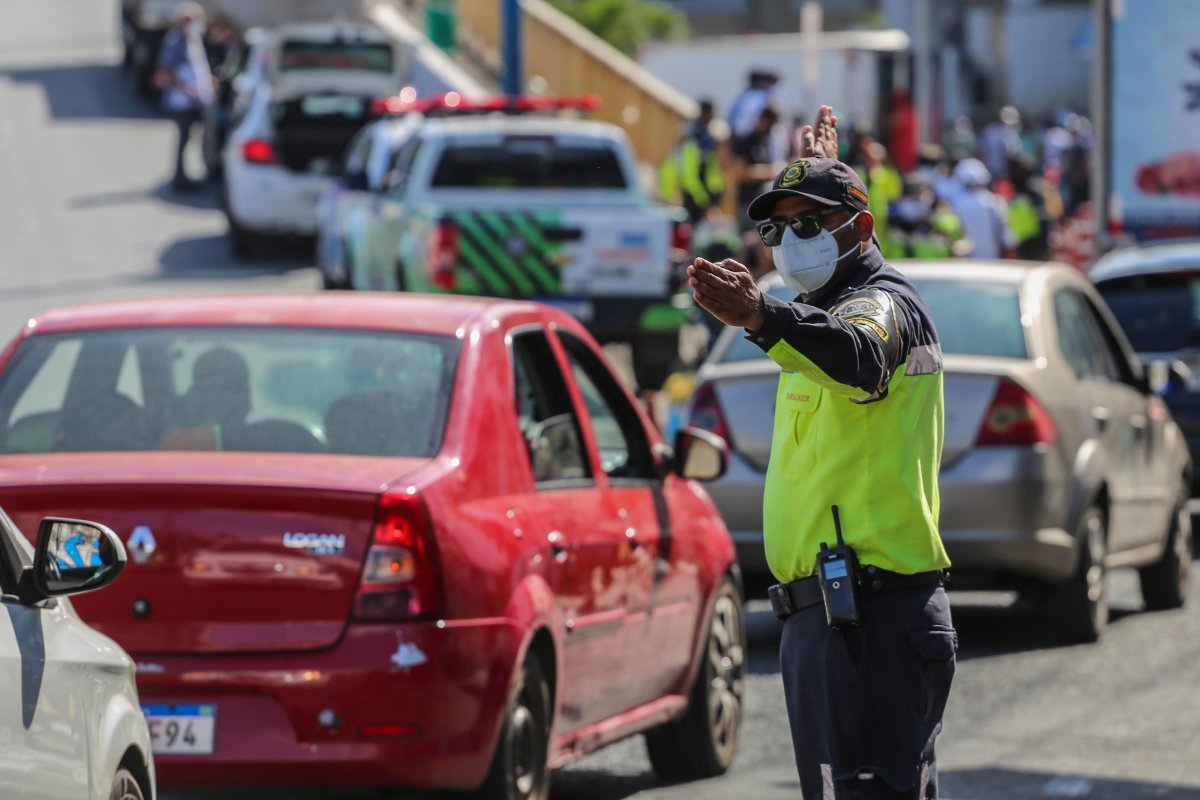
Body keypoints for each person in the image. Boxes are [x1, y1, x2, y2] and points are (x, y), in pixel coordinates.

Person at [687, 104, 956, 799]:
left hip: (869, 621)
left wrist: (758, 315)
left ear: (859, 228)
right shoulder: (824, 307)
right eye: (777, 228)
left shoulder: (882, 305)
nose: (787, 243)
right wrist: (823, 174)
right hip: (827, 622)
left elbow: (861, 353)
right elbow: (828, 322)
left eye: (808, 225)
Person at [155, 1, 214, 191]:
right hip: (183, 100)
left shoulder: (194, 38)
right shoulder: (174, 40)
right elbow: (166, 70)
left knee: (198, 139)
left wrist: (207, 82)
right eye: (187, 20)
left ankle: (194, 174)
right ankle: (179, 178)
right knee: (184, 140)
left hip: (198, 98)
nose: (191, 23)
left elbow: (197, 66)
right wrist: (187, 88)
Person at [658, 98, 728, 224]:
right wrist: (703, 201)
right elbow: (689, 175)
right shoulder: (693, 136)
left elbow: (712, 170)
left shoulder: (707, 136)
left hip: (701, 194)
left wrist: (714, 197)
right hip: (694, 195)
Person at [949, 157, 1015, 259]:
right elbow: (1008, 239)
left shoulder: (956, 203)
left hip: (963, 265)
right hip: (990, 263)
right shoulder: (993, 202)